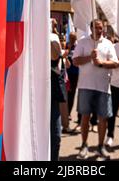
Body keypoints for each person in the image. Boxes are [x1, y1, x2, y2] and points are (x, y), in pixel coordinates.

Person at [73, 19, 119, 160]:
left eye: (101, 28)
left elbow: (115, 63)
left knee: (102, 118)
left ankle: (100, 146)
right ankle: (84, 144)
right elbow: (75, 61)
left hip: (103, 87)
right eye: (97, 27)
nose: (100, 30)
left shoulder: (108, 44)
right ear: (91, 28)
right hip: (86, 86)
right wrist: (89, 57)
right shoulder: (82, 42)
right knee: (85, 117)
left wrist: (101, 63)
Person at [50, 20, 65, 160]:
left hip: (51, 94)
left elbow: (55, 55)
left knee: (55, 136)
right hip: (34, 96)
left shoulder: (52, 38)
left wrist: (45, 35)